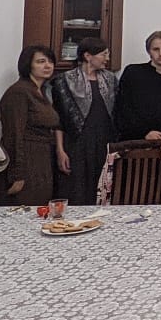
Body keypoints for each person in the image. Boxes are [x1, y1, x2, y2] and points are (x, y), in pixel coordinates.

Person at [51, 37, 118, 205]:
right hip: (76, 144)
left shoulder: (111, 79)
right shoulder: (64, 80)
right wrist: (60, 150)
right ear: (88, 56)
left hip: (104, 142)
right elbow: (59, 119)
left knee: (102, 189)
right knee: (76, 190)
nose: (107, 59)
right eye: (103, 54)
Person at [0, 45, 63, 207]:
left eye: (50, 61)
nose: (47, 66)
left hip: (42, 159)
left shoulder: (42, 91)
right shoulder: (19, 92)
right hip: (26, 160)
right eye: (41, 62)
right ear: (28, 65)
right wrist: (17, 174)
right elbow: (13, 134)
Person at [115, 31, 161, 142]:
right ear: (149, 51)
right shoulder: (133, 72)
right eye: (156, 49)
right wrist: (145, 132)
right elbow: (123, 107)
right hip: (131, 139)